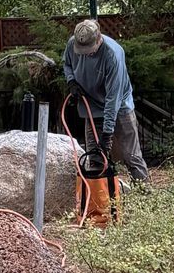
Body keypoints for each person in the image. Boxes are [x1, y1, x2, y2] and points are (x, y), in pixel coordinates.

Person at [62, 17, 149, 184]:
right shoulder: (73, 44)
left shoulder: (113, 55)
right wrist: (71, 81)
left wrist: (107, 134)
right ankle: (99, 201)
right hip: (91, 106)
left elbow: (112, 99)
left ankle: (145, 198)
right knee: (95, 157)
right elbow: (67, 65)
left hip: (120, 106)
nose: (86, 53)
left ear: (99, 38)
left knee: (131, 156)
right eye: (83, 50)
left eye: (89, 49)